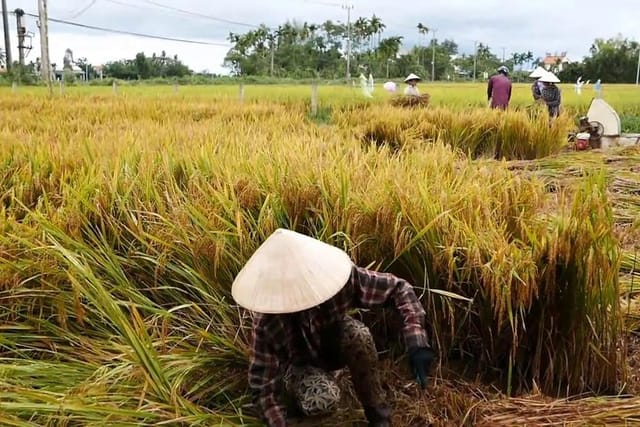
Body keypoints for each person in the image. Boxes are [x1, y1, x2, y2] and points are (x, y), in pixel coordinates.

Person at [232, 228, 436, 427]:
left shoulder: (341, 280)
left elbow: (398, 289)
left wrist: (417, 342)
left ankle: (379, 416)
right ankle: (302, 409)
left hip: (331, 343)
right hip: (297, 368)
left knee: (358, 335)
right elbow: (263, 392)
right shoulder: (269, 322)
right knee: (322, 399)